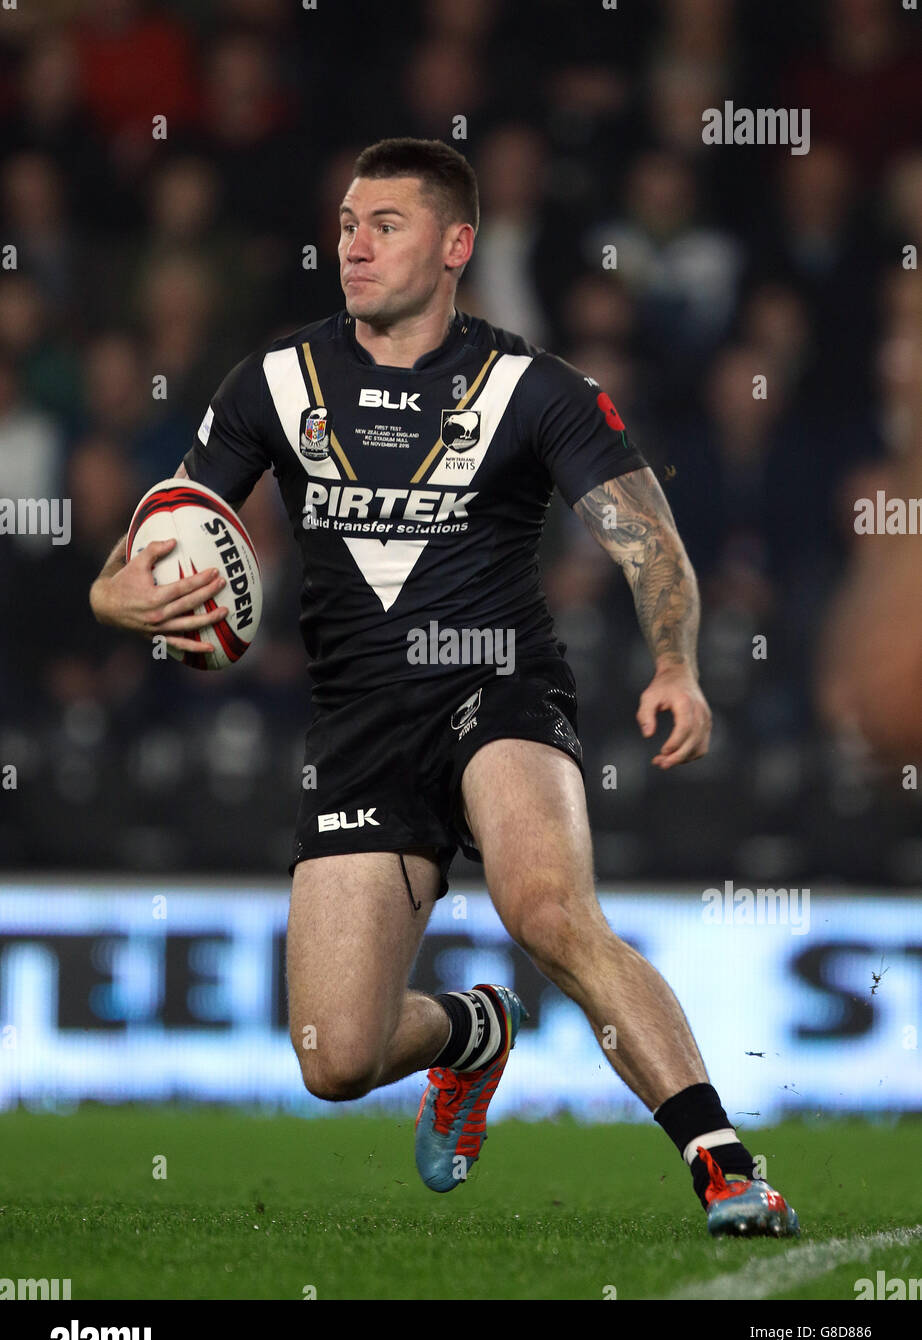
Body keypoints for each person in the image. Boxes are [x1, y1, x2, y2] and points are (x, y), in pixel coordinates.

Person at [90, 137, 798, 1236]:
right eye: (343, 226)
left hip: (496, 681)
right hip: (359, 720)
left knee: (551, 911)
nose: (353, 247)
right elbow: (159, 533)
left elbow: (648, 542)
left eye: (385, 225)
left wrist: (673, 663)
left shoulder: (533, 387)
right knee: (335, 1057)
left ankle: (724, 1162)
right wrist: (112, 601)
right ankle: (473, 1032)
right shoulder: (274, 382)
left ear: (457, 244)